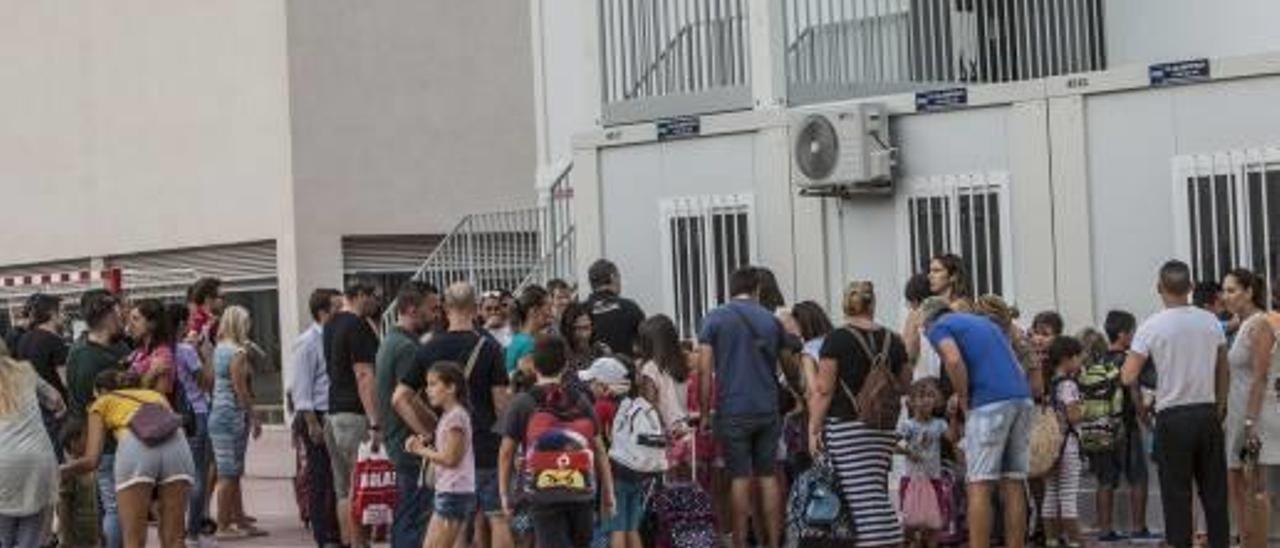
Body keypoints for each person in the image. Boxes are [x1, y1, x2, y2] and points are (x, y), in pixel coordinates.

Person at [1120, 260, 1230, 548]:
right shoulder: (1209, 321)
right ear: (1191, 287)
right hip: (1207, 413)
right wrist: (1219, 406)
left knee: (1176, 496)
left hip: (1172, 417)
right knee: (1215, 495)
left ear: (1159, 288)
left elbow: (1128, 374)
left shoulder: (1151, 326)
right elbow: (1223, 367)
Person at [398, 282, 511, 548]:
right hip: (485, 442)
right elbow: (500, 406)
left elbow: (400, 397)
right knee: (497, 516)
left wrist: (429, 430)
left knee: (457, 521)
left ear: (445, 309)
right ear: (475, 309)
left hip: (449, 446)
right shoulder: (490, 347)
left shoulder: (427, 348)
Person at [921, 295, 1033, 548]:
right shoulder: (986, 324)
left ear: (926, 322)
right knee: (1014, 482)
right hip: (1021, 398)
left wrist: (963, 398)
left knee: (979, 484)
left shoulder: (939, 326)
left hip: (989, 403)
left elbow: (952, 359)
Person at [696, 266, 794, 548]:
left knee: (739, 477)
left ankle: (739, 542)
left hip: (732, 410)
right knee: (767, 476)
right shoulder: (771, 321)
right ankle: (773, 543)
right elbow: (788, 364)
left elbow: (704, 370)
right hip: (767, 409)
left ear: (731, 288)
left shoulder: (714, 319)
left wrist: (704, 413)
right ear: (758, 289)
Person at [809, 280, 910, 548]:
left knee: (855, 494)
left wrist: (813, 428)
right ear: (872, 304)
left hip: (847, 426)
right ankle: (890, 539)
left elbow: (823, 390)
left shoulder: (836, 339)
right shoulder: (893, 340)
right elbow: (905, 384)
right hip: (883, 427)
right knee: (874, 488)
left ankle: (873, 542)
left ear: (846, 305)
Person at [498, 334, 616, 548]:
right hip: (581, 491)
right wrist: (608, 494)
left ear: (533, 365)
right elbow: (599, 450)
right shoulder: (581, 400)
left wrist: (505, 494)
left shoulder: (522, 403)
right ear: (565, 365)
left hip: (543, 494)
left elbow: (506, 454)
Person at [62, 370, 194, 548]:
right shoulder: (154, 395)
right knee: (175, 539)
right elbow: (174, 424)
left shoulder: (102, 402)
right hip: (177, 445)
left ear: (101, 391)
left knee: (134, 541)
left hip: (136, 446)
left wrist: (62, 470)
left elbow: (92, 460)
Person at [65, 290, 129, 548]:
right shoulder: (85, 356)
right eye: (118, 310)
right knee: (115, 508)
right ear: (106, 315)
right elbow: (86, 406)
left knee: (116, 507)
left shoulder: (116, 346)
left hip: (122, 442)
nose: (123, 314)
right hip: (106, 445)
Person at [1221, 268, 1279, 547]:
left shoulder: (1259, 325)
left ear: (1249, 292)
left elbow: (1261, 376)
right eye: (1224, 290)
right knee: (1238, 483)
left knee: (1251, 485)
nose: (1226, 296)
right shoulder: (1242, 323)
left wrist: (1250, 422)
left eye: (1232, 290)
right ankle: (1247, 539)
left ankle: (1255, 542)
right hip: (1237, 415)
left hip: (1252, 417)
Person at [324, 280, 383, 548]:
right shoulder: (357, 325)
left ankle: (348, 543)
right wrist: (374, 421)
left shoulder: (331, 324)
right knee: (359, 488)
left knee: (343, 489)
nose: (377, 303)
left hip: (333, 413)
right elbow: (363, 374)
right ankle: (359, 544)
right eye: (374, 296)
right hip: (354, 415)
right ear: (360, 295)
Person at [1088, 310, 1156, 542]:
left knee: (1105, 480)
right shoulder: (1129, 360)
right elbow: (1135, 392)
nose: (1135, 336)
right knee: (1139, 477)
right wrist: (1145, 419)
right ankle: (1138, 528)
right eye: (1132, 332)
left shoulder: (1098, 360)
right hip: (1126, 426)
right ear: (1123, 334)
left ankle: (1105, 531)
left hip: (1101, 427)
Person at [375, 283, 435, 548]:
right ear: (412, 309)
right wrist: (427, 435)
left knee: (406, 515)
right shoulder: (407, 348)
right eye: (431, 309)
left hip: (399, 442)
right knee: (413, 518)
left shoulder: (390, 341)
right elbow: (402, 399)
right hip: (410, 446)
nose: (435, 315)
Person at [290, 288, 344, 548]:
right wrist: (312, 423)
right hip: (316, 416)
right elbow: (301, 389)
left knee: (337, 479)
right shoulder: (308, 342)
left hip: (335, 414)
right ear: (323, 312)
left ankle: (337, 531)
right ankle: (325, 537)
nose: (342, 312)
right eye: (337, 307)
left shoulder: (336, 337)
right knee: (320, 479)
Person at [207, 306, 264, 539]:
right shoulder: (237, 352)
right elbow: (240, 389)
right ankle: (223, 526)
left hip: (219, 413)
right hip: (230, 415)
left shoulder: (220, 348)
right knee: (228, 473)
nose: (249, 325)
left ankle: (238, 520)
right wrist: (254, 417)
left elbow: (212, 380)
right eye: (247, 321)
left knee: (233, 471)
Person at [405, 361, 476, 548]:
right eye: (428, 384)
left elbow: (451, 458)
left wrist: (420, 450)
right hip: (450, 490)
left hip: (453, 491)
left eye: (433, 384)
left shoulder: (456, 417)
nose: (428, 390)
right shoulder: (451, 416)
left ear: (451, 387)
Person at [165, 303, 215, 543]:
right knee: (197, 474)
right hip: (196, 414)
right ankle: (193, 531)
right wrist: (203, 352)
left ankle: (174, 529)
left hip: (171, 418)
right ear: (183, 324)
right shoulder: (185, 351)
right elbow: (206, 381)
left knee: (174, 476)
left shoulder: (160, 350)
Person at [0, 354, 61, 548]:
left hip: (3, 463)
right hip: (38, 460)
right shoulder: (25, 370)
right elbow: (56, 402)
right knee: (31, 540)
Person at [602, 363, 666, 548]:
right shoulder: (642, 404)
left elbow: (608, 436)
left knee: (618, 527)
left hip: (618, 471)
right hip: (640, 469)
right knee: (632, 527)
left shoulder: (611, 406)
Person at [896, 378, 955, 548]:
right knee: (910, 524)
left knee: (934, 525)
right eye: (921, 396)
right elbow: (891, 445)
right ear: (911, 402)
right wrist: (908, 452)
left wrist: (951, 417)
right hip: (912, 481)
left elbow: (952, 437)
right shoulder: (908, 426)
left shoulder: (939, 424)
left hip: (933, 479)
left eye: (930, 396)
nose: (926, 400)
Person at [1041, 336, 1084, 547]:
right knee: (1068, 496)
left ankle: (1051, 540)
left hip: (1050, 447)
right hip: (1068, 445)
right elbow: (1074, 416)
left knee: (1050, 494)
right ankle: (1075, 541)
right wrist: (1085, 409)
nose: (1080, 362)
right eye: (1077, 357)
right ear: (1067, 358)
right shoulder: (1068, 384)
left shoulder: (1050, 383)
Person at [17, 293, 70, 460]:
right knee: (59, 454)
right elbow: (66, 381)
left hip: (33, 404)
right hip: (56, 407)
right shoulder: (55, 341)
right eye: (62, 311)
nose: (65, 316)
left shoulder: (24, 339)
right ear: (52, 314)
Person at [635, 315, 691, 436]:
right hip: (684, 425)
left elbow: (650, 405)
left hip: (664, 431)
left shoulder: (650, 368)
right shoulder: (680, 362)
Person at [584, 259, 645, 357]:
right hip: (626, 369)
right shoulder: (630, 307)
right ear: (613, 277)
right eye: (619, 277)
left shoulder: (581, 310)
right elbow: (646, 343)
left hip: (590, 370)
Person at [58, 417, 99, 548]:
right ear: (73, 443)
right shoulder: (69, 472)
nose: (91, 440)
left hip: (93, 536)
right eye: (86, 436)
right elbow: (64, 509)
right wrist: (66, 541)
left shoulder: (93, 469)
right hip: (77, 539)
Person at [125, 299, 176, 398]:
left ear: (152, 323)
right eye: (129, 320)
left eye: (136, 319)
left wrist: (151, 374)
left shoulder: (163, 355)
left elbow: (159, 397)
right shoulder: (138, 352)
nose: (130, 325)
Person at [577, 357, 632, 441]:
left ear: (603, 385)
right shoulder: (625, 402)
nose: (589, 386)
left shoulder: (602, 406)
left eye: (591, 381)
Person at [506, 285, 553, 379]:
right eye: (548, 308)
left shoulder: (519, 338)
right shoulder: (529, 344)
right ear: (534, 311)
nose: (551, 313)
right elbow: (531, 382)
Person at [561, 302, 611, 375]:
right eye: (577, 328)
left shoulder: (601, 351)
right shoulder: (560, 353)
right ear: (568, 329)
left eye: (586, 328)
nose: (583, 334)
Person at [186, 277, 225, 347]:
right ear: (208, 299)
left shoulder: (212, 318)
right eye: (221, 297)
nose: (223, 301)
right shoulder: (198, 319)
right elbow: (192, 343)